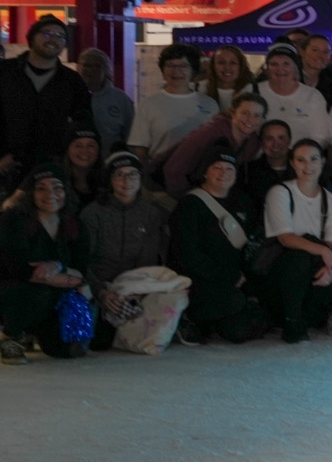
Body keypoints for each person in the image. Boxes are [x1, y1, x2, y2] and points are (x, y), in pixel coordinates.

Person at [170, 152, 269, 344]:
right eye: (217, 167)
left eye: (229, 169)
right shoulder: (190, 205)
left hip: (235, 278)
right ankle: (191, 318)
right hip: (199, 279)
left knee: (240, 330)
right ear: (205, 172)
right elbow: (187, 254)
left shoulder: (243, 202)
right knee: (233, 302)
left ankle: (212, 321)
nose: (223, 173)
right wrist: (226, 276)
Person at [261, 138, 332, 344]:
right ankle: (292, 321)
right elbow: (285, 238)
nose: (307, 166)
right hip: (280, 269)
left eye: (313, 159)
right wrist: (324, 252)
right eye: (301, 160)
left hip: (312, 270)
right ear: (292, 163)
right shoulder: (280, 192)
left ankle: (312, 316)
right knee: (299, 256)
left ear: (323, 161)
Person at [0, 167, 92, 362]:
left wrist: (56, 266)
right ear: (31, 194)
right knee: (38, 293)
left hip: (51, 294)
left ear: (66, 191)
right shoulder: (13, 220)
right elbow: (21, 271)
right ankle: (7, 336)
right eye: (41, 188)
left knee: (65, 351)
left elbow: (81, 270)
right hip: (14, 292)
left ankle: (30, 332)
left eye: (57, 187)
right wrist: (72, 280)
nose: (50, 194)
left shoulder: (74, 225)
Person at [80, 151, 171, 348]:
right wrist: (101, 292)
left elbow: (147, 261)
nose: (126, 180)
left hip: (134, 287)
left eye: (132, 174)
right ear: (110, 179)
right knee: (99, 341)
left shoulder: (150, 214)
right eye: (119, 174)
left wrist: (136, 291)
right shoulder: (93, 213)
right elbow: (82, 260)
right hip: (100, 286)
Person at [0, 15, 91, 192]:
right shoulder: (5, 72)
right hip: (6, 166)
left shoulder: (72, 81)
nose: (53, 39)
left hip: (53, 167)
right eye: (47, 33)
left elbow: (83, 122)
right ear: (32, 38)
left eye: (59, 36)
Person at [161, 92, 267, 195]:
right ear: (233, 113)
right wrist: (191, 201)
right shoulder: (210, 132)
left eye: (257, 115)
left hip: (211, 192)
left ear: (262, 119)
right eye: (245, 113)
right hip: (169, 191)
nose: (250, 119)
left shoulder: (252, 143)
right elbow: (173, 170)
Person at [133, 43, 219, 165]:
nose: (176, 71)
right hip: (160, 175)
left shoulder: (210, 105)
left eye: (183, 66)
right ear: (162, 70)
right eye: (170, 65)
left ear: (193, 70)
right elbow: (140, 149)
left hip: (199, 175)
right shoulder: (148, 105)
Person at [255, 42, 332, 147]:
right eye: (274, 64)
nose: (280, 69)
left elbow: (321, 136)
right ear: (267, 68)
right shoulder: (254, 91)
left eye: (286, 64)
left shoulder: (313, 96)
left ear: (295, 68)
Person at [77, 47, 134, 153]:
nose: (90, 70)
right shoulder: (68, 95)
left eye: (97, 66)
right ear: (78, 68)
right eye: (86, 65)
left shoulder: (120, 99)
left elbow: (132, 136)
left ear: (106, 70)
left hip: (110, 162)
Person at [242, 118, 297, 204]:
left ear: (289, 140)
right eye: (269, 138)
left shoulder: (302, 169)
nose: (275, 144)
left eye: (281, 138)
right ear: (261, 142)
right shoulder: (248, 171)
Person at [202, 45, 256, 114]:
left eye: (233, 63)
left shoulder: (252, 90)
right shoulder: (199, 88)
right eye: (221, 62)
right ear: (213, 66)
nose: (227, 67)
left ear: (241, 66)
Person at [304, 35, 332, 107]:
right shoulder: (289, 78)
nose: (320, 56)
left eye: (325, 52)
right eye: (315, 50)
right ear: (302, 52)